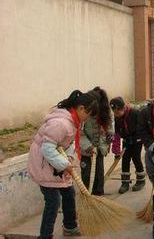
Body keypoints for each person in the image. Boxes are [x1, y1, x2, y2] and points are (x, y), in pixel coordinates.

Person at [27, 90, 98, 238]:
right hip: (44, 165)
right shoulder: (60, 123)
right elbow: (47, 148)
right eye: (88, 114)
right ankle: (45, 235)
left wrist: (69, 159)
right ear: (81, 108)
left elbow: (68, 144)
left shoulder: (73, 122)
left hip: (56, 164)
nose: (87, 118)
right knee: (53, 202)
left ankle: (70, 227)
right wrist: (63, 164)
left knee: (69, 193)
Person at [80, 86, 113, 196]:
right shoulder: (83, 113)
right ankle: (87, 198)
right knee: (87, 175)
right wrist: (88, 146)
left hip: (100, 149)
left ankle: (99, 198)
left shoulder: (107, 112)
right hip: (87, 150)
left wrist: (110, 137)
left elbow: (111, 128)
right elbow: (79, 134)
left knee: (99, 174)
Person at [110, 97, 145, 193]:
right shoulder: (117, 118)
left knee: (136, 158)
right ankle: (125, 182)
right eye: (114, 113)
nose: (116, 115)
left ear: (124, 108)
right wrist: (116, 150)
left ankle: (141, 180)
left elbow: (141, 127)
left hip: (136, 140)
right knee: (125, 159)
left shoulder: (135, 113)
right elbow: (116, 133)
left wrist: (136, 138)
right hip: (126, 140)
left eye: (118, 112)